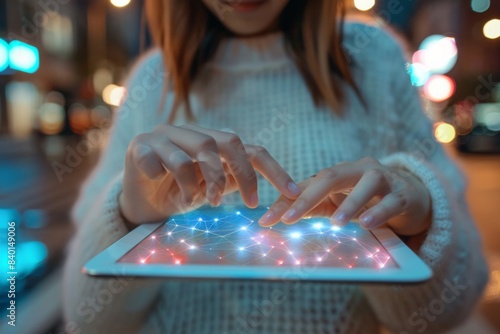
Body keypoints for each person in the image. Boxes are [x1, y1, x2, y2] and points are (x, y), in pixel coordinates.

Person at [63, 0, 489, 333]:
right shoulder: (153, 80)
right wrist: (129, 214)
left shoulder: (372, 61)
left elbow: (448, 308)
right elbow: (87, 319)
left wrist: (419, 218)